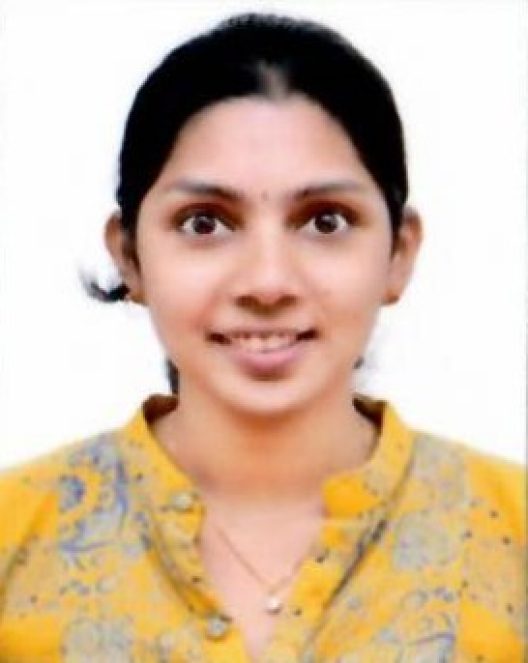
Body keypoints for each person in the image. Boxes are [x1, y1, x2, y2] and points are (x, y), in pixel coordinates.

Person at [0, 12, 525, 663]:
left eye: (326, 221)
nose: (268, 282)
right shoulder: (14, 539)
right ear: (130, 256)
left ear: (398, 253)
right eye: (205, 223)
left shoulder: (513, 538)